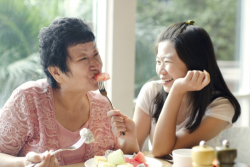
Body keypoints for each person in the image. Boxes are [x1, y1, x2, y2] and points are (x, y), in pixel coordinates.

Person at [0, 17, 138, 167]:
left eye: (96, 54)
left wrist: (131, 140)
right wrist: (24, 163)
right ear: (56, 72)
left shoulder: (103, 106)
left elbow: (117, 162)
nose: (96, 65)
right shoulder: (28, 99)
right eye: (83, 58)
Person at [108, 20, 241, 158]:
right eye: (158, 62)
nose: (160, 71)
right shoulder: (151, 91)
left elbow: (161, 150)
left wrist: (177, 90)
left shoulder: (221, 104)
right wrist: (131, 138)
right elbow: (131, 156)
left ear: (194, 63)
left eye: (167, 62)